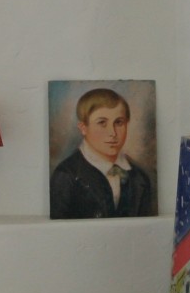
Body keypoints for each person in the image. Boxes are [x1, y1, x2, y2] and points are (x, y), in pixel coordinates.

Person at [49, 87, 156, 219]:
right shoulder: (66, 176)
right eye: (102, 123)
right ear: (83, 128)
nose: (112, 133)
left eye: (119, 122)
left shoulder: (139, 178)